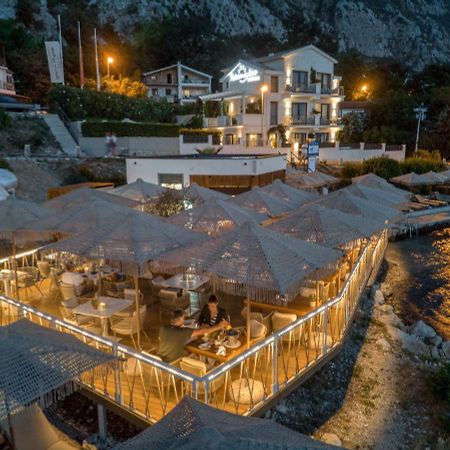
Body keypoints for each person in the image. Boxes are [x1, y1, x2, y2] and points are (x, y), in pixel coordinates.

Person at [158, 309, 228, 363]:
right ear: (179, 319)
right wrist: (219, 326)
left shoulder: (163, 328)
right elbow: (203, 332)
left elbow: (172, 339)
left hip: (159, 362)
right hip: (173, 365)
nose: (184, 320)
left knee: (189, 352)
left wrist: (189, 338)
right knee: (196, 357)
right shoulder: (182, 331)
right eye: (183, 318)